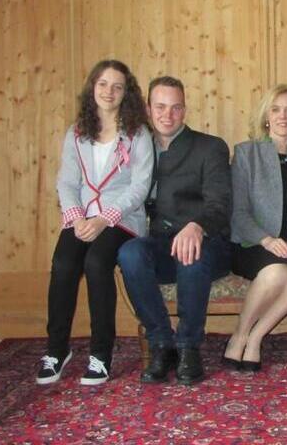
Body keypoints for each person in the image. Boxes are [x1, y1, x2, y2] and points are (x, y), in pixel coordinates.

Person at [37, 60, 154, 386]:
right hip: (82, 217)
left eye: (117, 86)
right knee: (63, 264)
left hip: (122, 219)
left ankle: (101, 354)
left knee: (97, 262)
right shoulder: (76, 133)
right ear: (93, 87)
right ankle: (56, 350)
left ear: (126, 93)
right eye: (103, 84)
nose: (109, 92)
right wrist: (76, 217)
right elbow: (66, 182)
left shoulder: (138, 134)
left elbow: (139, 188)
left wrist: (104, 219)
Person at [117, 76, 232, 386]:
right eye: (160, 107)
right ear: (148, 109)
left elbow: (221, 204)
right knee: (129, 253)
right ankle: (161, 343)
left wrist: (197, 226)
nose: (168, 115)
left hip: (208, 244)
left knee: (190, 254)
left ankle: (188, 347)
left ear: (185, 110)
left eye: (176, 107)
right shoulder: (138, 149)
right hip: (160, 243)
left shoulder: (210, 147)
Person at [223, 85, 287, 371]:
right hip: (253, 244)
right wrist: (266, 240)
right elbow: (239, 212)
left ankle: (255, 337)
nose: (283, 116)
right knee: (276, 272)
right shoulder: (246, 154)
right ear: (266, 116)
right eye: (276, 109)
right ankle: (239, 335)